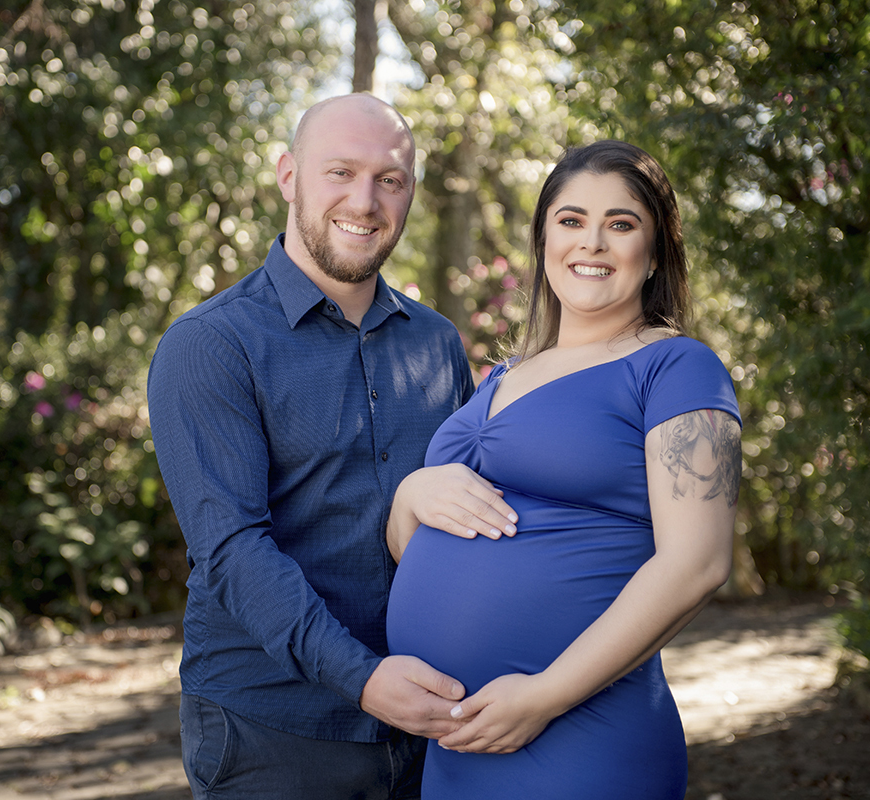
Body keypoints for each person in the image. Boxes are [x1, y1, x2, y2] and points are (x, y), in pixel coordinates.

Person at [147, 93, 517, 799]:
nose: (366, 200)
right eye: (339, 172)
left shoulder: (436, 344)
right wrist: (366, 680)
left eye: (391, 179)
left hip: (430, 722)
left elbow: (468, 517)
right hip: (272, 732)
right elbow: (231, 549)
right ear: (288, 176)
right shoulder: (211, 345)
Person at [385, 140, 742, 799]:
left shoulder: (676, 368)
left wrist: (546, 695)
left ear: (656, 251)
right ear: (544, 238)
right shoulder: (501, 376)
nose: (593, 243)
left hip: (581, 733)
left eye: (622, 224)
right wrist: (410, 495)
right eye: (572, 220)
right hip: (458, 740)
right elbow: (426, 547)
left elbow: (698, 562)